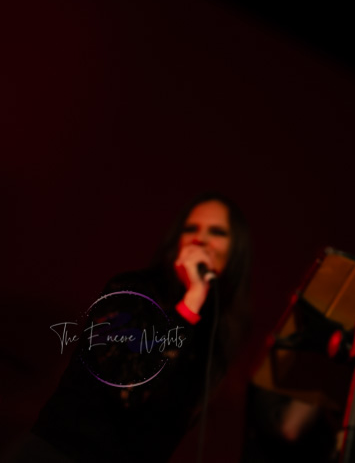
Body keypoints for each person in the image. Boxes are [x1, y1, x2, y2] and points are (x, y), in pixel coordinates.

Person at [15, 193, 251, 462]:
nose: (200, 239)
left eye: (217, 232)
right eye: (191, 229)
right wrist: (190, 303)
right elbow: (128, 388)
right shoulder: (132, 292)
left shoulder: (214, 328)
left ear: (236, 250)